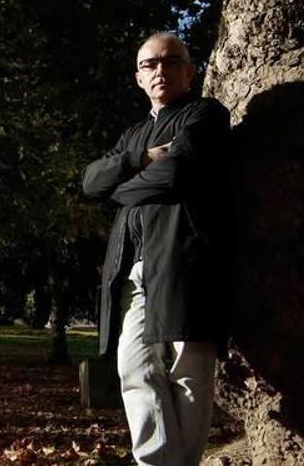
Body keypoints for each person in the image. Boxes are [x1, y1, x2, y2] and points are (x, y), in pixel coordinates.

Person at [81, 32, 233, 465]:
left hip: (187, 263)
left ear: (191, 69)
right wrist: (140, 159)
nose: (160, 70)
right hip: (134, 269)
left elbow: (177, 176)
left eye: (171, 61)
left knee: (189, 375)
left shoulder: (204, 115)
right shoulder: (134, 134)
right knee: (135, 370)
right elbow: (92, 180)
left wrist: (121, 189)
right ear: (138, 77)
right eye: (150, 64)